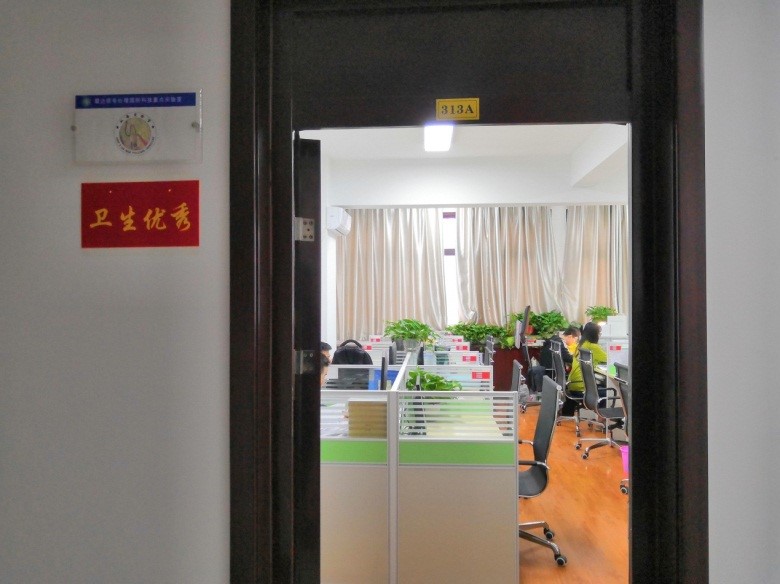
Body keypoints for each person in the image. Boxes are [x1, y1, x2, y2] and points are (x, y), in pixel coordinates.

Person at [560, 321, 608, 415]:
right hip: (582, 387)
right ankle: (602, 419)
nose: (600, 335)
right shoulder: (593, 347)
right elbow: (610, 359)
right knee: (609, 393)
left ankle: (599, 418)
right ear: (595, 334)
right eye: (599, 333)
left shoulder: (581, 345)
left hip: (573, 384)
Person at [527, 325, 580, 393]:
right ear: (570, 336)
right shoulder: (559, 343)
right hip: (552, 373)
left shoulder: (554, 339)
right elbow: (568, 358)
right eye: (575, 340)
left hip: (548, 371)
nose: (575, 342)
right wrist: (578, 359)